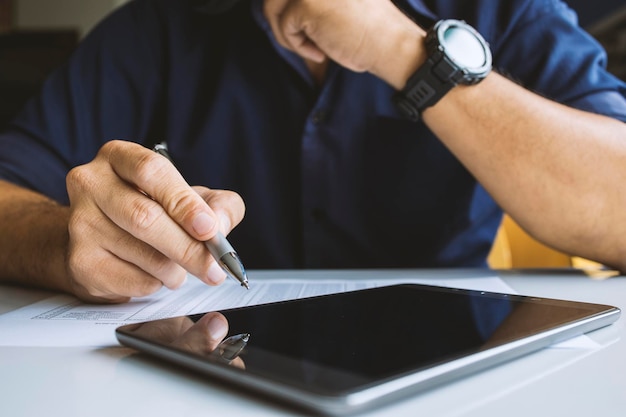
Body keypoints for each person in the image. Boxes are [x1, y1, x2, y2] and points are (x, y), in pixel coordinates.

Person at [0, 0, 625, 304]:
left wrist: (400, 51)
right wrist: (66, 240)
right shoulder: (158, 25)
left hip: (455, 372)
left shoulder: (508, 9)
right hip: (209, 372)